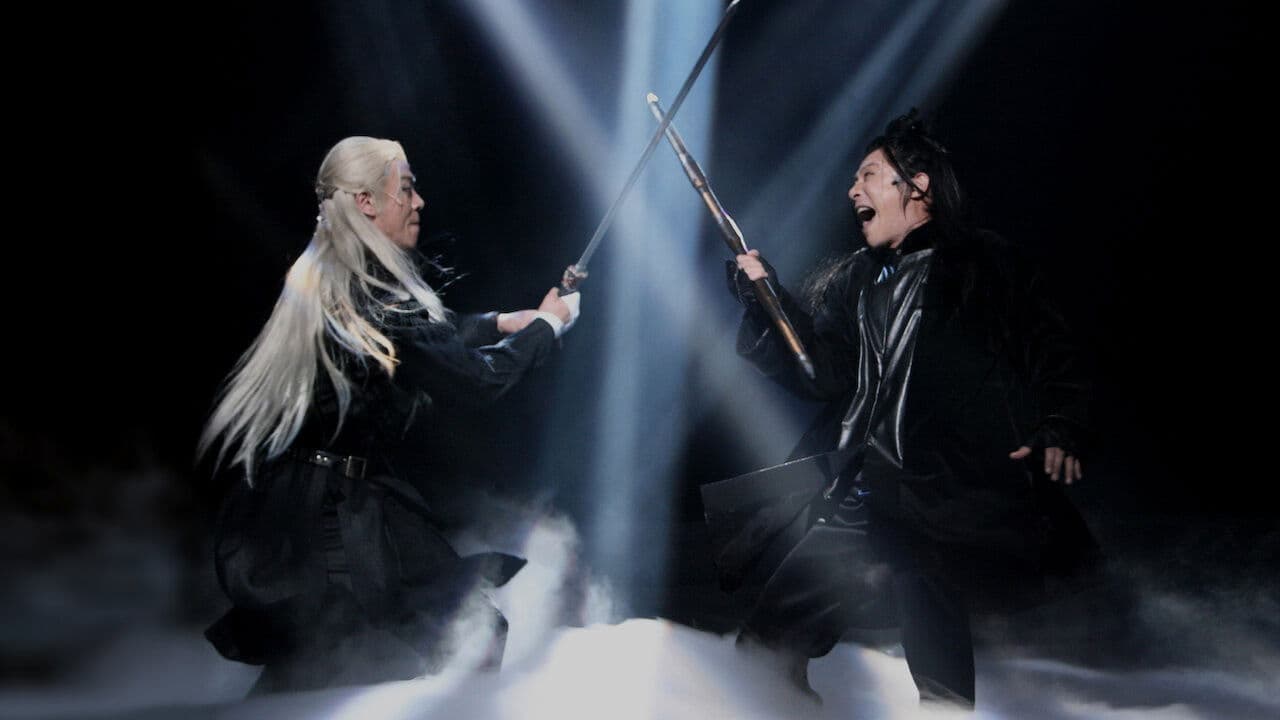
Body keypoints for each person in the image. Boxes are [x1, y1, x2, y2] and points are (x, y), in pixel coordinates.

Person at [709, 111, 1099, 708]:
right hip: (863, 498)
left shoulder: (983, 266)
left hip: (940, 497)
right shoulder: (856, 280)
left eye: (868, 175)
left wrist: (1061, 425)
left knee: (937, 665)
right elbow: (822, 374)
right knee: (765, 648)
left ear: (917, 186)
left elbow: (1053, 350)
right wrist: (767, 303)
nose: (853, 191)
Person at [198, 136, 580, 693]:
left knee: (339, 660)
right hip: (333, 518)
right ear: (367, 202)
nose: (418, 202)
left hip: (331, 502)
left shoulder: (338, 279)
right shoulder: (374, 296)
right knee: (439, 641)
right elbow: (476, 380)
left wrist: (502, 323)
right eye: (407, 188)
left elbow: (420, 342)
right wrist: (548, 326)